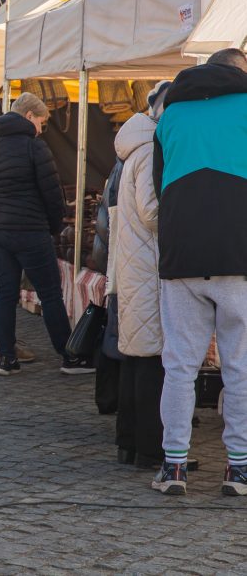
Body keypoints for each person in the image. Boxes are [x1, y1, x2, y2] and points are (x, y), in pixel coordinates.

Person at [150, 48, 247, 496]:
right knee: (240, 368)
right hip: (238, 252)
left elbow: (159, 187)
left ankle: (173, 467)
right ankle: (239, 469)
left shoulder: (170, 116)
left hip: (181, 254)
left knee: (180, 366)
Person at [0, 92, 89, 376]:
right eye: (41, 121)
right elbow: (52, 196)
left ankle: (6, 359)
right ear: (29, 117)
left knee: (5, 292)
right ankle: (69, 357)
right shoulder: (34, 148)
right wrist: (53, 227)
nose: (41, 128)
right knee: (50, 293)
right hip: (27, 229)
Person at [109, 81, 171, 471]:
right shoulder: (149, 151)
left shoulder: (137, 147)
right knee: (148, 360)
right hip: (147, 266)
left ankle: (130, 443)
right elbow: (152, 212)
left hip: (136, 265)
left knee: (136, 358)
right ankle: (150, 449)